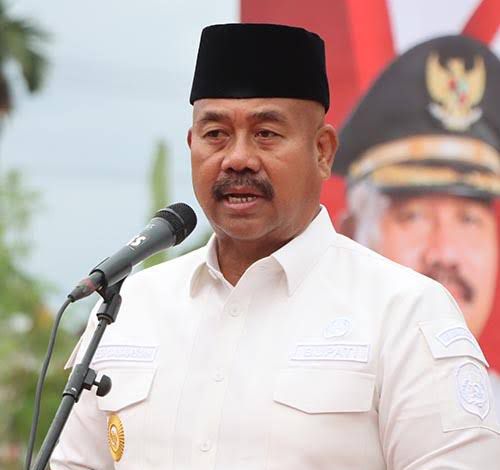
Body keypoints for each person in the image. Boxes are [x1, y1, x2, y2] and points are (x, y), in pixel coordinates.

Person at [51, 24, 500, 469]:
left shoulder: (404, 312)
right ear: (191, 145)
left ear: (323, 152)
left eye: (266, 133)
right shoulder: (130, 308)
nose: (237, 159)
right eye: (215, 134)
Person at [333, 35, 500, 409]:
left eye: (469, 219)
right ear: (349, 239)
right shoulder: (282, 421)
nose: (445, 252)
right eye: (413, 217)